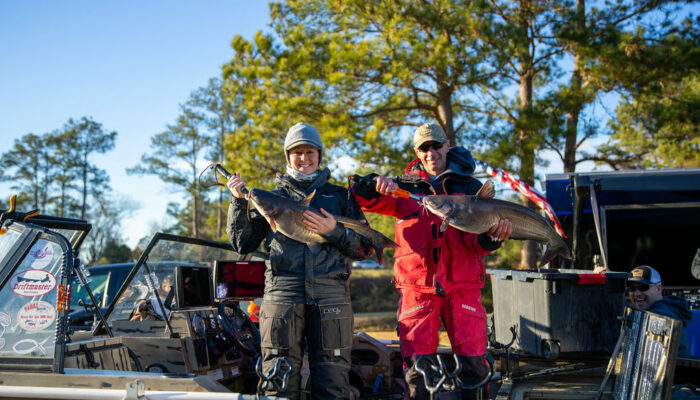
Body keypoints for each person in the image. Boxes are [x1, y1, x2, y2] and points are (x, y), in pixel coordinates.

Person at [351, 122, 513, 400]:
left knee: (474, 365)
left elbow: (479, 244)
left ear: (447, 144)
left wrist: (491, 240)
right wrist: (374, 182)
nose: (431, 152)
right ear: (416, 151)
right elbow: (360, 198)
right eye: (424, 148)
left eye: (436, 145)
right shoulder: (402, 187)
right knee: (418, 368)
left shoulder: (471, 187)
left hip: (463, 287)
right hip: (417, 290)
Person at [226, 122, 373, 400]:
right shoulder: (270, 198)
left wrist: (334, 231)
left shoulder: (340, 197)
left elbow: (363, 248)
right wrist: (237, 202)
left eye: (310, 152)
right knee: (278, 379)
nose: (303, 159)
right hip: (283, 294)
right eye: (297, 153)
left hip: (331, 296)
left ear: (319, 155)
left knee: (332, 380)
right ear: (287, 156)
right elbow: (242, 244)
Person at [626, 265, 692, 358]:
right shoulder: (642, 313)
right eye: (632, 288)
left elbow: (644, 319)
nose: (637, 293)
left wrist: (609, 289)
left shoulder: (664, 313)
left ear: (659, 289)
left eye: (643, 287)